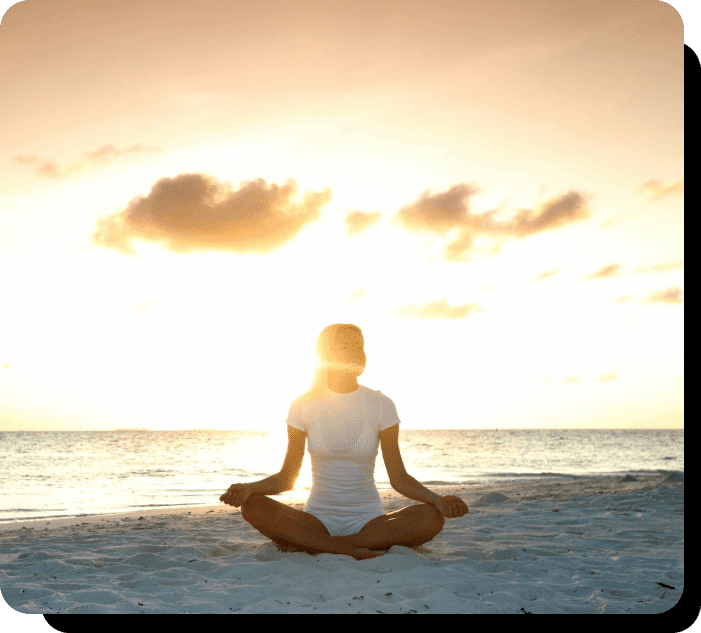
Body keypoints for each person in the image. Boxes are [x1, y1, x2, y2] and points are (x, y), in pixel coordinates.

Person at [220, 323, 468, 560]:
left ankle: (327, 546)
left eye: (361, 347)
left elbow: (399, 478)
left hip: (370, 522)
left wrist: (437, 500)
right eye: (348, 347)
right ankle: (349, 548)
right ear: (327, 354)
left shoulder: (381, 405)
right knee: (254, 507)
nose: (358, 353)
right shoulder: (302, 405)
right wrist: (249, 489)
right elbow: (287, 478)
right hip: (317, 520)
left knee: (431, 517)